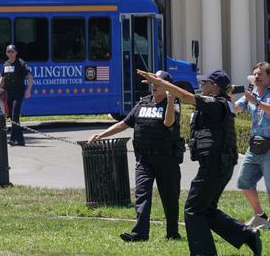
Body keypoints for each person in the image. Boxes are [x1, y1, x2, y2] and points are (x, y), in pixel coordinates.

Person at [138, 68, 262, 256]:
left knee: (193, 210)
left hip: (215, 164)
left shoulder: (215, 103)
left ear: (214, 87)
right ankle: (247, 235)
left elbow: (186, 96)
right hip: (220, 163)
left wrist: (161, 83)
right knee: (205, 209)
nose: (201, 85)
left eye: (204, 83)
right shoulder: (222, 102)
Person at [89, 70, 182, 242]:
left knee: (170, 198)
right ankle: (139, 234)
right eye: (153, 82)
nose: (154, 85)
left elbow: (169, 123)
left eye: (158, 83)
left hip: (166, 158)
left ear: (167, 86)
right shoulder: (143, 104)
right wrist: (102, 135)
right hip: (144, 159)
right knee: (142, 195)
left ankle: (172, 232)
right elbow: (124, 124)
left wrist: (170, 100)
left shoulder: (173, 104)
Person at [235, 62, 270, 229]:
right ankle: (260, 216)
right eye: (255, 74)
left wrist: (256, 102)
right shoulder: (252, 94)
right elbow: (235, 109)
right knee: (244, 181)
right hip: (254, 146)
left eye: (261, 74)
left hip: (269, 147)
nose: (256, 76)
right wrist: (227, 95)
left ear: (269, 77)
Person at [0, 44, 33, 146]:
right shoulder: (6, 64)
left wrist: (28, 89)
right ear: (6, 53)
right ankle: (21, 140)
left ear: (16, 53)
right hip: (9, 92)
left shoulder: (21, 63)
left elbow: (29, 75)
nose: (11, 54)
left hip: (19, 92)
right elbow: (2, 78)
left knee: (15, 114)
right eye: (9, 52)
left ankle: (12, 138)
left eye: (12, 52)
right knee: (12, 116)